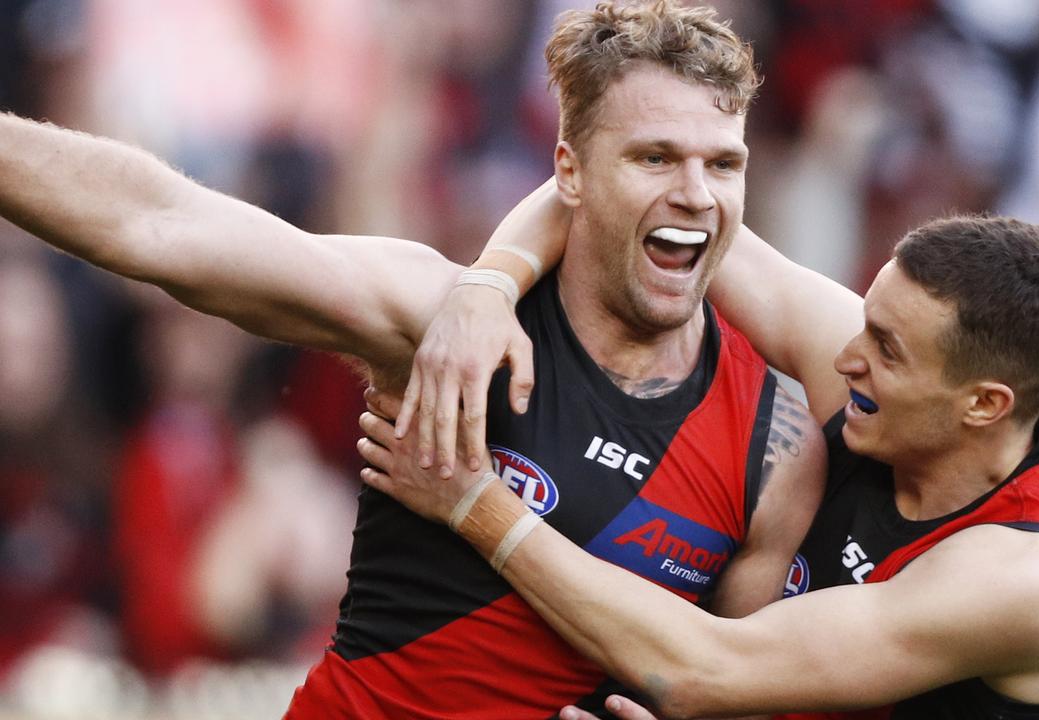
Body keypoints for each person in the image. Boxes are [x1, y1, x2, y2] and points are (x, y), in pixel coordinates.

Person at [0, 2, 828, 716]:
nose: (696, 193)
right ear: (568, 174)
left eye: (723, 164)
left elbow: (730, 685)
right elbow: (164, 226)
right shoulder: (443, 320)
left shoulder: (778, 446)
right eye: (654, 157)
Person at [357, 213, 1039, 719]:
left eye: (885, 349)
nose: (845, 357)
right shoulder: (899, 396)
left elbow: (704, 671)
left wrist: (476, 506)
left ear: (984, 405)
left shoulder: (1028, 583)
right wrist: (488, 287)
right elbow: (620, 193)